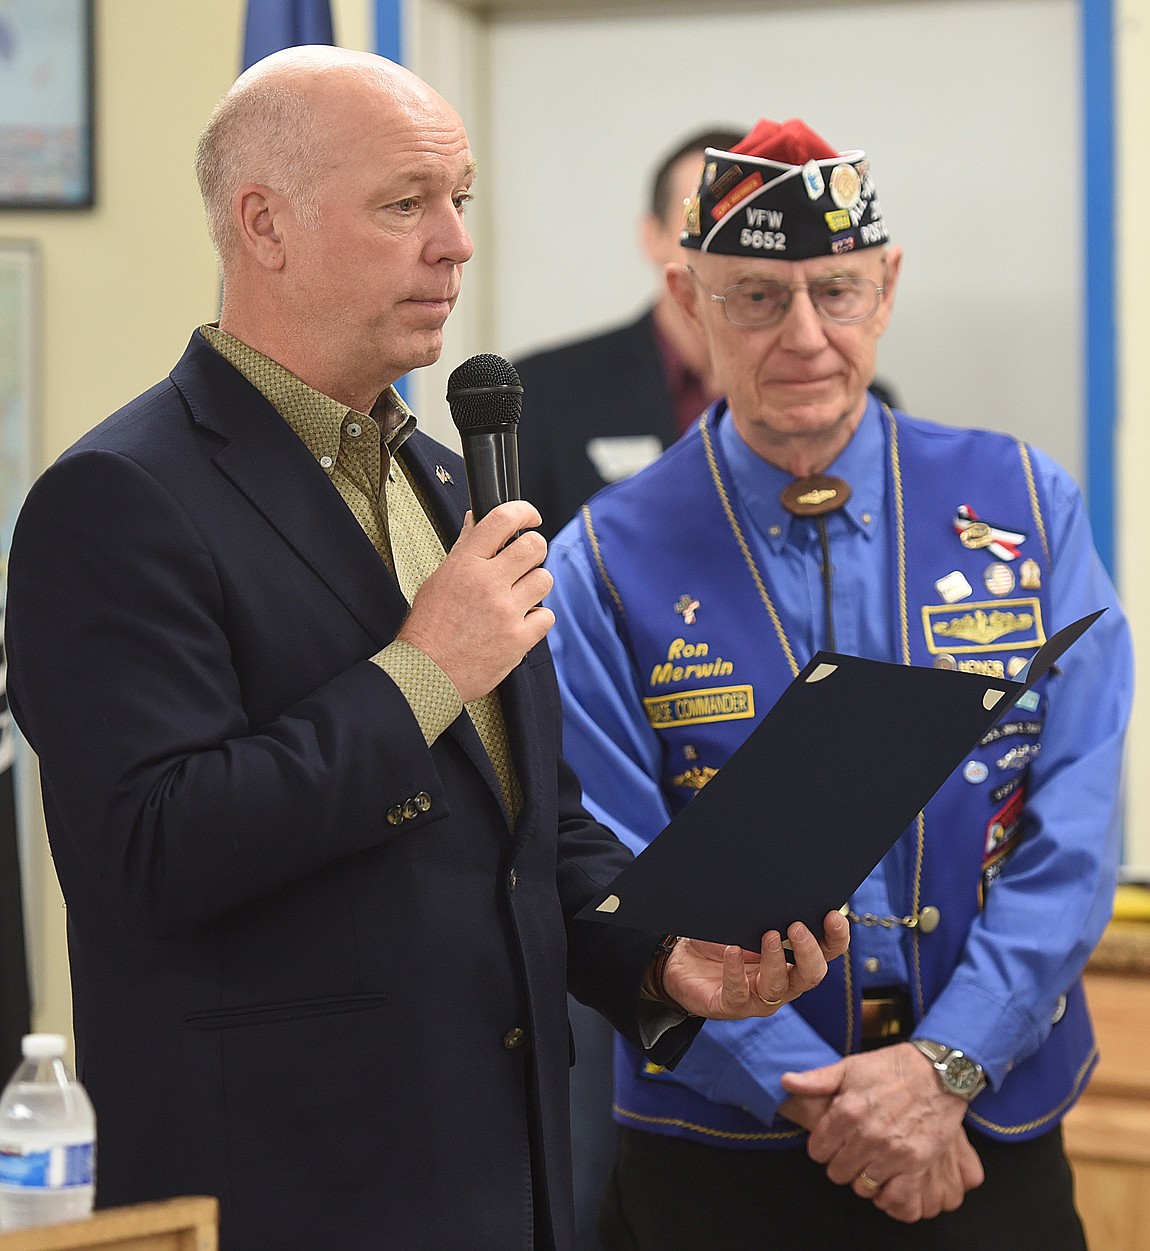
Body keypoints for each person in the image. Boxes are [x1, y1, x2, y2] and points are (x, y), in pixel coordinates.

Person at [2, 61, 849, 1251]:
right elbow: (152, 848)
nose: (455, 245)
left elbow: (525, 831)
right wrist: (424, 674)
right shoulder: (118, 499)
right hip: (286, 1192)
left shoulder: (449, 476)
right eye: (407, 203)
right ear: (264, 224)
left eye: (460, 200)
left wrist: (662, 957)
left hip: (507, 1180)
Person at [544, 118, 1133, 1250]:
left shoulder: (1024, 500)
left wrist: (941, 1071)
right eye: (757, 297)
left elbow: (1077, 822)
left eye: (838, 290)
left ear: (889, 284)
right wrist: (828, 1102)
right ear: (687, 295)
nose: (806, 334)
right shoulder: (603, 559)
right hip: (722, 1157)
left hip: (987, 1132)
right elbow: (609, 862)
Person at [516, 127, 899, 542]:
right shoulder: (547, 392)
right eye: (698, 224)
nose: (806, 339)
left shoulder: (847, 395)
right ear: (654, 238)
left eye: (750, 224)